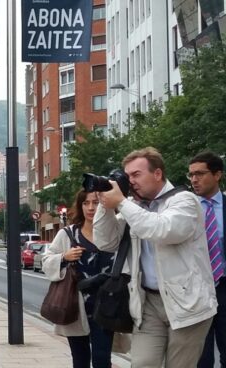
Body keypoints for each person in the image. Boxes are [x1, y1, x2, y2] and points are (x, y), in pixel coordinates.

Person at [94, 147, 217, 367]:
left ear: (157, 174)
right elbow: (106, 241)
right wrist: (105, 204)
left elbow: (162, 230)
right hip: (148, 302)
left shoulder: (185, 200)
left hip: (187, 303)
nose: (130, 181)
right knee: (141, 363)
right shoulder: (136, 207)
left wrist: (121, 202)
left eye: (136, 175)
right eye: (127, 176)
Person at [42, 190, 116, 368]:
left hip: (106, 306)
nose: (91, 207)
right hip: (75, 306)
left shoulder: (113, 233)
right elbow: (46, 260)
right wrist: (64, 257)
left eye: (96, 203)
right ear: (80, 206)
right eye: (86, 203)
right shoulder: (68, 234)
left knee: (102, 359)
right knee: (80, 359)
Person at [190, 151, 226, 368]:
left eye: (200, 174)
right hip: (197, 288)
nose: (194, 180)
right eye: (191, 175)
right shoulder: (185, 209)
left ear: (217, 175)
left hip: (224, 285)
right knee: (201, 355)